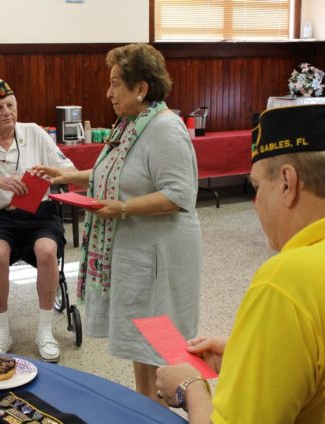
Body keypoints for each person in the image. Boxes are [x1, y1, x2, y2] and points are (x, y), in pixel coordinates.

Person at [155, 90, 325, 422]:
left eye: (258, 188)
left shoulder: (288, 280)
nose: (255, 204)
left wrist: (190, 387)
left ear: (288, 183)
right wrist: (246, 354)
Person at [34, 43, 202, 396]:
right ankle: (146, 406)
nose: (108, 93)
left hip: (161, 256)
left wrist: (122, 209)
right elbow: (109, 174)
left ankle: (170, 410)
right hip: (137, 252)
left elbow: (179, 195)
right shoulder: (131, 124)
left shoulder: (164, 128)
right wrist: (66, 176)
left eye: (115, 84)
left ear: (141, 88)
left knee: (164, 342)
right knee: (142, 340)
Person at [0, 78, 77, 362]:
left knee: (47, 252)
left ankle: (45, 331)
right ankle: (2, 332)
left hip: (39, 214)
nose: (6, 112)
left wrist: (51, 173)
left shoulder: (34, 132)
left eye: (10, 105)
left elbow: (68, 168)